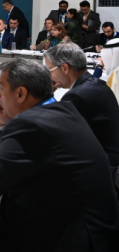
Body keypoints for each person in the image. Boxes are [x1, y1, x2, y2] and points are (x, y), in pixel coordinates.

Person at [0, 59, 119, 252]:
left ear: (21, 93)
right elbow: (20, 159)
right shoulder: (60, 111)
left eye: (2, 87)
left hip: (69, 244)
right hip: (90, 229)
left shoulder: (32, 126)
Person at [45, 43, 119, 175]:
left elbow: (56, 133)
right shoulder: (95, 84)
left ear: (65, 68)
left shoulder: (77, 96)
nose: (50, 76)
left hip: (100, 169)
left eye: (50, 71)